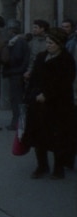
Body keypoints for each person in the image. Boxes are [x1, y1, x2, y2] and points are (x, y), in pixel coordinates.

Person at [23, 28, 76, 179]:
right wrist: (30, 96)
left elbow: (65, 83)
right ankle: (42, 166)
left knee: (58, 138)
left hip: (59, 106)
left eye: (51, 43)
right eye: (47, 42)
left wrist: (47, 95)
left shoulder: (66, 60)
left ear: (60, 44)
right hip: (38, 104)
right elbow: (34, 79)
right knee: (38, 136)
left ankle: (58, 169)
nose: (48, 45)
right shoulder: (41, 57)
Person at [3, 18, 30, 131]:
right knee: (16, 99)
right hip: (17, 72)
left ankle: (17, 123)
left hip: (16, 73)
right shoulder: (20, 41)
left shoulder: (17, 42)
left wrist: (6, 58)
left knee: (16, 100)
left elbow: (16, 58)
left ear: (12, 30)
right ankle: (17, 122)